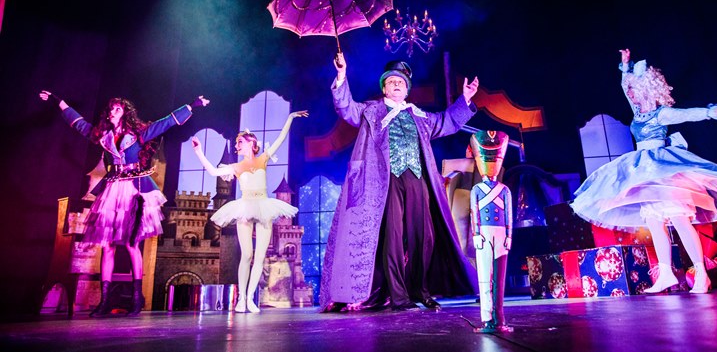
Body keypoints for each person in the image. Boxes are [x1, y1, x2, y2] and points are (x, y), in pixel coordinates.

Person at [570, 49, 717, 294]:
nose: (631, 93)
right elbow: (624, 86)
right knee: (654, 222)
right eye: (631, 90)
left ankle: (701, 274)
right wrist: (625, 66)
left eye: (635, 89)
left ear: (646, 90)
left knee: (680, 220)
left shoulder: (661, 113)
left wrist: (713, 112)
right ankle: (666, 274)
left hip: (663, 170)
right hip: (645, 170)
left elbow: (689, 115)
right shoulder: (637, 112)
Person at [319, 53, 480, 312]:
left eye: (401, 82)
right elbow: (346, 108)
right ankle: (399, 297)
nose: (396, 85)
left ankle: (421, 291)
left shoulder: (418, 115)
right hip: (385, 181)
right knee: (392, 238)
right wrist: (341, 75)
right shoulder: (371, 111)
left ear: (407, 90)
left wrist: (466, 99)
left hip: (416, 177)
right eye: (391, 82)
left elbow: (446, 121)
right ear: (384, 88)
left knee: (424, 235)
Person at [39, 90, 210, 316]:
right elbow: (79, 124)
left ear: (125, 113)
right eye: (111, 109)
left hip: (133, 189)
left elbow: (166, 122)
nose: (113, 111)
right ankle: (105, 301)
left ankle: (137, 298)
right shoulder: (102, 135)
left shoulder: (139, 134)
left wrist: (191, 106)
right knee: (107, 246)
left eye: (117, 109)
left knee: (131, 243)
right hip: (112, 189)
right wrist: (58, 101)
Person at [191, 110, 308, 313]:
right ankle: (242, 299)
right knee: (246, 255)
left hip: (263, 206)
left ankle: (251, 298)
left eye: (240, 142)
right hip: (245, 207)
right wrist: (199, 151)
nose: (237, 146)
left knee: (259, 257)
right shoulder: (236, 166)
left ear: (251, 144)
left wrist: (289, 118)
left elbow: (281, 139)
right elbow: (213, 171)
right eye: (237, 143)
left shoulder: (262, 159)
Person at [469, 130, 513, 333]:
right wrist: (476, 234)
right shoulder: (476, 190)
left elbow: (509, 215)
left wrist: (509, 236)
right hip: (484, 234)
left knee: (499, 279)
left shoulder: (505, 190)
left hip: (501, 235)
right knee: (485, 278)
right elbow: (474, 213)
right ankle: (487, 319)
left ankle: (499, 318)